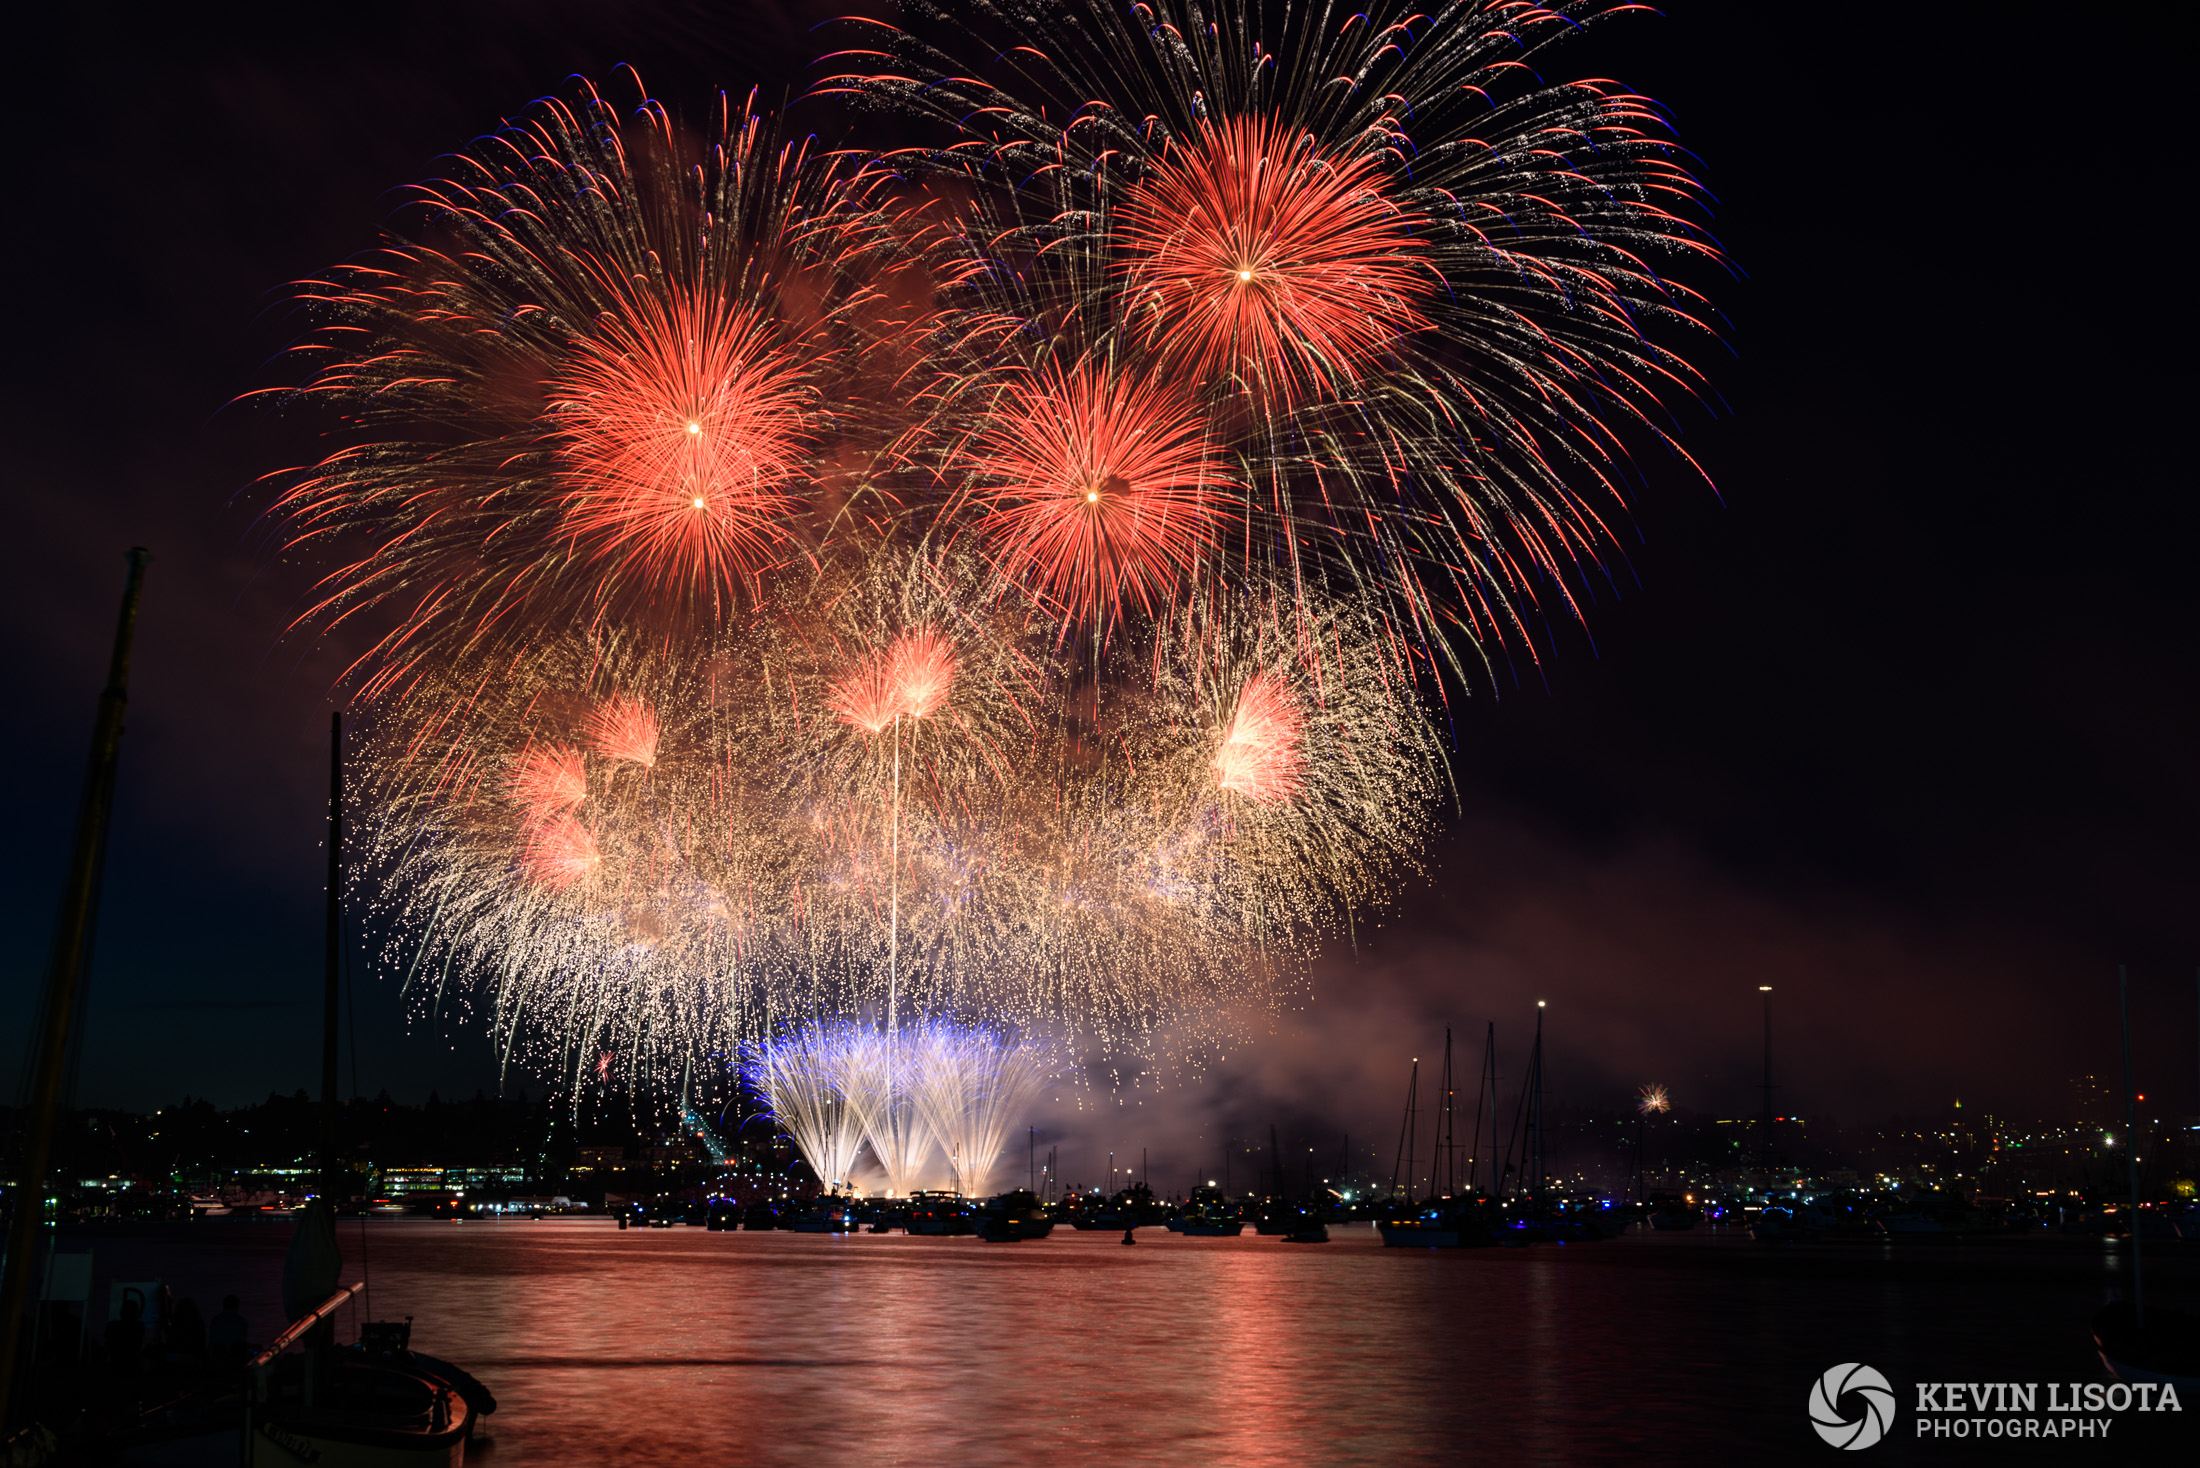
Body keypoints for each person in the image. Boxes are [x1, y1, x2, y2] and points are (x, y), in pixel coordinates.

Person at [208, 1294, 249, 1369]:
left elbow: (211, 1340)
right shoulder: (241, 1321)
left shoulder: (216, 1320)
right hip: (234, 1356)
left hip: (218, 1355)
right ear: (237, 1306)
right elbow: (243, 1340)